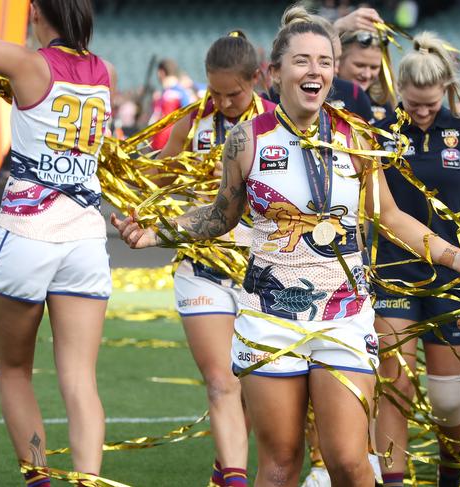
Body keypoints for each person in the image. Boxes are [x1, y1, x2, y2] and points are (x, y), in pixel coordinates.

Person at [112, 7, 460, 487]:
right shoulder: (245, 139)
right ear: (274, 73)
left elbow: (391, 216)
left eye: (324, 61)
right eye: (301, 61)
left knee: (349, 461)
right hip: (270, 318)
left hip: (344, 315)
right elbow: (219, 215)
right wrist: (157, 232)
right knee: (279, 465)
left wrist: (452, 253)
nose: (314, 71)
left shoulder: (356, 138)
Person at [0, 1, 112, 485]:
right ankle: (87, 481)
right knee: (81, 380)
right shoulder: (105, 71)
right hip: (85, 236)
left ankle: (39, 479)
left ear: (38, 13)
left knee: (14, 371)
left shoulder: (28, 62)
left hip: (26, 233)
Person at [371, 32, 460, 487]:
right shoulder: (381, 131)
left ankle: (450, 477)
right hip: (392, 271)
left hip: (453, 272)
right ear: (400, 90)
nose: (422, 112)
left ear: (445, 88)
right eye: (414, 103)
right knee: (396, 386)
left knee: (448, 401)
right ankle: (391, 481)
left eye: (430, 104)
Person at [156, 32, 275, 487]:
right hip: (201, 264)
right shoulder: (191, 122)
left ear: (256, 80)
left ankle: (225, 469)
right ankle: (237, 479)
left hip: (262, 267)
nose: (225, 102)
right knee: (222, 381)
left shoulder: (276, 122)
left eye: (235, 93)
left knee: (250, 384)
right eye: (216, 92)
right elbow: (161, 178)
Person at [337, 29, 392, 122]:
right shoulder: (319, 97)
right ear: (338, 59)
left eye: (374, 67)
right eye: (359, 65)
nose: (367, 75)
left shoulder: (383, 102)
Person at [148, 58, 194, 152]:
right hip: (161, 145)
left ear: (161, 73)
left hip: (169, 146)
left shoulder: (178, 94)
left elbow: (189, 117)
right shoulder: (166, 94)